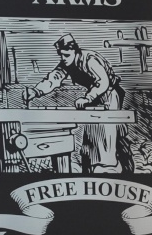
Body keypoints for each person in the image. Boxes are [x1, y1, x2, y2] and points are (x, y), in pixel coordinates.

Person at [23, 33, 132, 174]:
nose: (63, 58)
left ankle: (108, 168)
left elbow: (103, 82)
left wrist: (88, 98)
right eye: (61, 55)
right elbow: (53, 79)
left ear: (75, 51)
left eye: (66, 55)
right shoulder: (66, 64)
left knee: (105, 133)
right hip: (95, 98)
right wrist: (35, 91)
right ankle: (91, 167)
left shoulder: (90, 60)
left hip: (109, 95)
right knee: (91, 135)